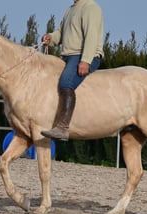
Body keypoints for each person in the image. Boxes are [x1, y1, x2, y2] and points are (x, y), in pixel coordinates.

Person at [40, 0, 104, 141]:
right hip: (68, 56)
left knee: (65, 83)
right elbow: (61, 33)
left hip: (83, 55)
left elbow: (91, 35)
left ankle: (62, 128)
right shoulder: (70, 9)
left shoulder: (91, 8)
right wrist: (51, 37)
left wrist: (86, 60)